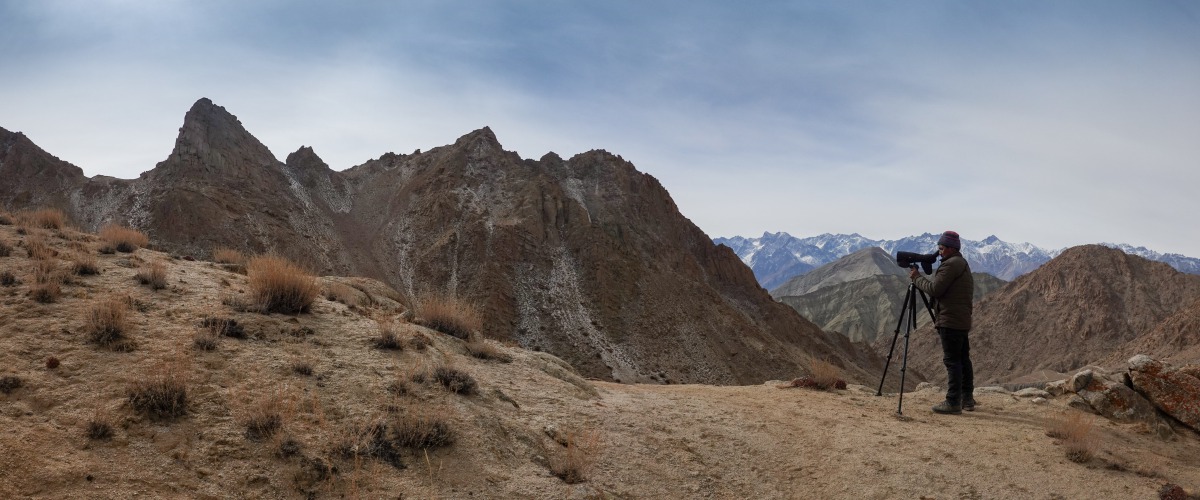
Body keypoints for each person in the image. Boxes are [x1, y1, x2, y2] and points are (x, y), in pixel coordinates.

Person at [909, 230, 975, 415]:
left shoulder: (950, 265)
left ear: (950, 249)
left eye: (941, 248)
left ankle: (953, 401)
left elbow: (935, 289)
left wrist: (917, 278)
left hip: (950, 319)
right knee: (962, 359)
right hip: (961, 319)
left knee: (952, 361)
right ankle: (967, 399)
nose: (938, 252)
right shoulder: (961, 263)